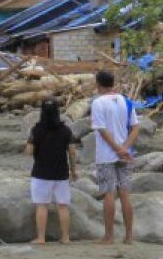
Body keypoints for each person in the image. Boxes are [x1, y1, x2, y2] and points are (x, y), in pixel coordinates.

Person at [91, 70, 139, 245]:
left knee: (109, 194)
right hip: (125, 154)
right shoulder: (126, 101)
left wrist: (118, 149)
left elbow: (102, 130)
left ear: (98, 84)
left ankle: (109, 236)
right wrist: (125, 148)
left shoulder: (98, 103)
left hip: (106, 155)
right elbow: (135, 128)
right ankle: (129, 236)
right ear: (113, 83)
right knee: (125, 194)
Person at [24, 99, 79, 245]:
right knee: (63, 205)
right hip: (61, 173)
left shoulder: (36, 130)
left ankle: (41, 238)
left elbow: (29, 152)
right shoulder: (66, 130)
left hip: (41, 173)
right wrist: (73, 170)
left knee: (42, 205)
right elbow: (72, 153)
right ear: (57, 112)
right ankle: (66, 237)